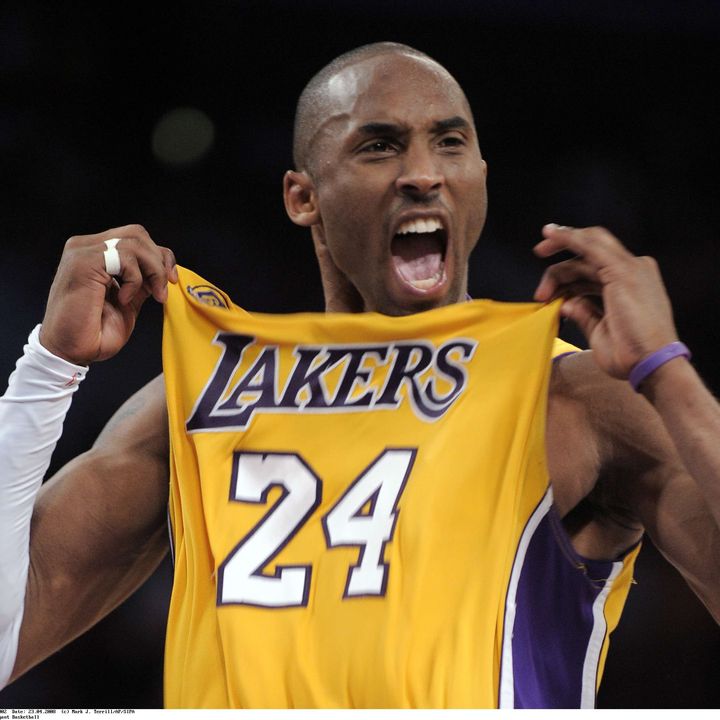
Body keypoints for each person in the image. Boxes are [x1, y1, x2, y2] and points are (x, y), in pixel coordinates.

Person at [1, 42, 719, 708]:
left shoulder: (571, 397)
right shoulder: (201, 403)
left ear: (480, 179)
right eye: (379, 146)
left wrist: (668, 374)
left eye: (450, 142)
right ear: (302, 197)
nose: (423, 173)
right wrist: (49, 366)